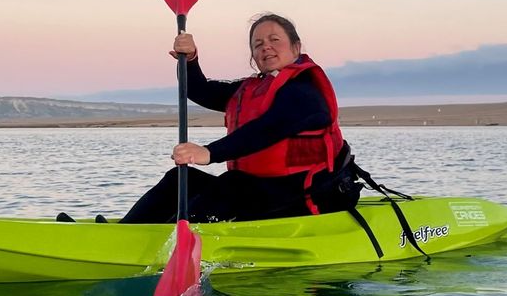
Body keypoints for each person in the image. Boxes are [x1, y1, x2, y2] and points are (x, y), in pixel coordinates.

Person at [119, 13, 346, 224]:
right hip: (257, 191)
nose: (265, 46)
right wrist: (189, 60)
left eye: (274, 40)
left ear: (296, 48)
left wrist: (209, 152)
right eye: (257, 44)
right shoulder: (250, 89)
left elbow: (267, 129)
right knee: (181, 179)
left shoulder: (306, 93)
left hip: (299, 198)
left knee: (231, 185)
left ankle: (170, 243)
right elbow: (199, 90)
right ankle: (123, 234)